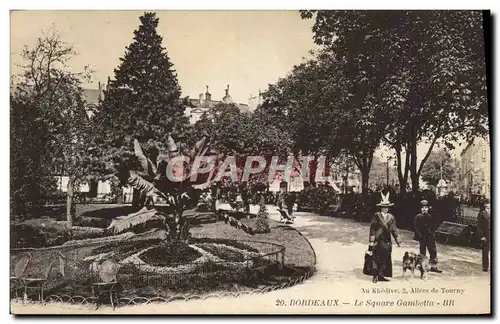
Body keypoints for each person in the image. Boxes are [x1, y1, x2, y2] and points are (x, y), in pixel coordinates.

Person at [368, 196, 401, 283]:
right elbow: (372, 229)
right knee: (375, 258)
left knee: (385, 258)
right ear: (381, 208)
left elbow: (394, 229)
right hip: (377, 240)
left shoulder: (391, 217)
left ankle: (381, 275)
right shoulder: (376, 216)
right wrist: (371, 241)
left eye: (387, 207)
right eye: (384, 207)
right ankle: (375, 276)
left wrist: (398, 240)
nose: (386, 209)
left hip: (387, 241)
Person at [414, 200, 443, 273]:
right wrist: (419, 235)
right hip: (422, 236)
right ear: (420, 209)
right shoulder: (418, 217)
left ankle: (433, 266)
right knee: (422, 252)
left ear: (428, 208)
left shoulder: (430, 216)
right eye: (422, 208)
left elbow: (434, 225)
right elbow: (416, 227)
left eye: (426, 208)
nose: (424, 209)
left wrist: (432, 233)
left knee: (433, 251)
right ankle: (422, 266)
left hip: (430, 236)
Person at [477, 198, 490, 272]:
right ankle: (485, 267)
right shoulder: (482, 213)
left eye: (488, 203)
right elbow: (479, 226)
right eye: (486, 204)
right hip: (486, 235)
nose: (487, 205)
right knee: (485, 251)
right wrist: (482, 236)